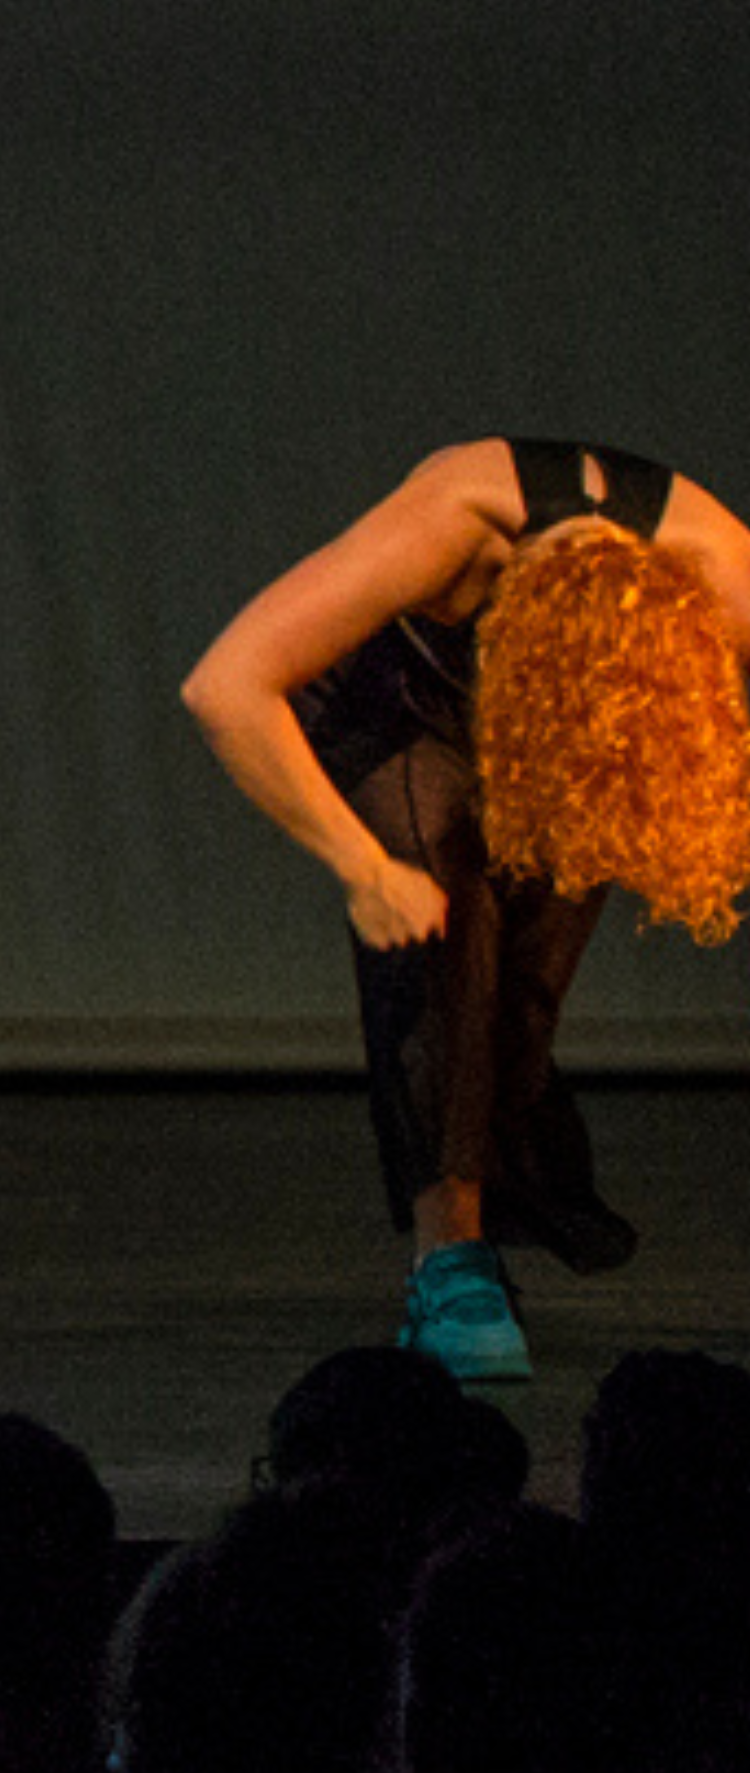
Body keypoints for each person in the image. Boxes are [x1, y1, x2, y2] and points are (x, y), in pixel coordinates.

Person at [174, 436, 750, 1382]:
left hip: (590, 724)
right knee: (450, 947)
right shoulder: (452, 518)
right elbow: (225, 687)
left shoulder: (720, 573)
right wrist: (361, 867)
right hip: (405, 711)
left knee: (525, 999)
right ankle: (450, 1263)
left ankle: (496, 1190)